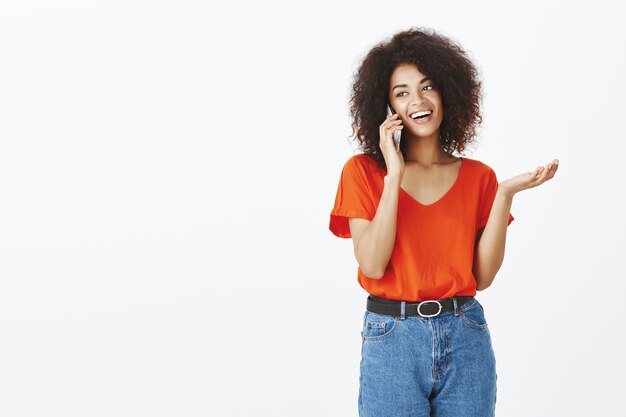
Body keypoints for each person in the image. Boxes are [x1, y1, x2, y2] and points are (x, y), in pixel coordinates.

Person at [328, 27, 558, 417]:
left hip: (465, 334)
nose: (417, 101)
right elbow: (372, 264)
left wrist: (504, 195)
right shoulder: (363, 172)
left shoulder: (479, 177)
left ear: (447, 92)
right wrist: (394, 175)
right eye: (401, 93)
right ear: (385, 108)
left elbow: (481, 277)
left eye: (427, 86)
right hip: (392, 338)